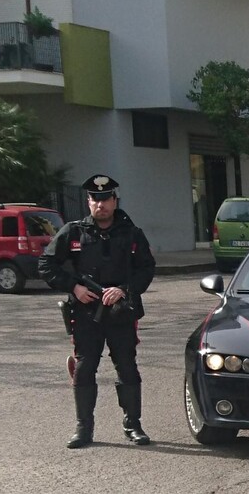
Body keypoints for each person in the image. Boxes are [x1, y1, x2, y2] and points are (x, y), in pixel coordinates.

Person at [39, 174, 156, 448]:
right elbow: (46, 265)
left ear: (114, 201)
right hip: (85, 312)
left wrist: (125, 289)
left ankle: (133, 425)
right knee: (84, 367)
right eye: (94, 199)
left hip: (120, 311)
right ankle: (84, 429)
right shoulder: (73, 231)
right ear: (88, 202)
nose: (100, 204)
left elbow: (147, 268)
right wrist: (75, 288)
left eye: (105, 199)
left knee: (127, 367)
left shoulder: (132, 233)